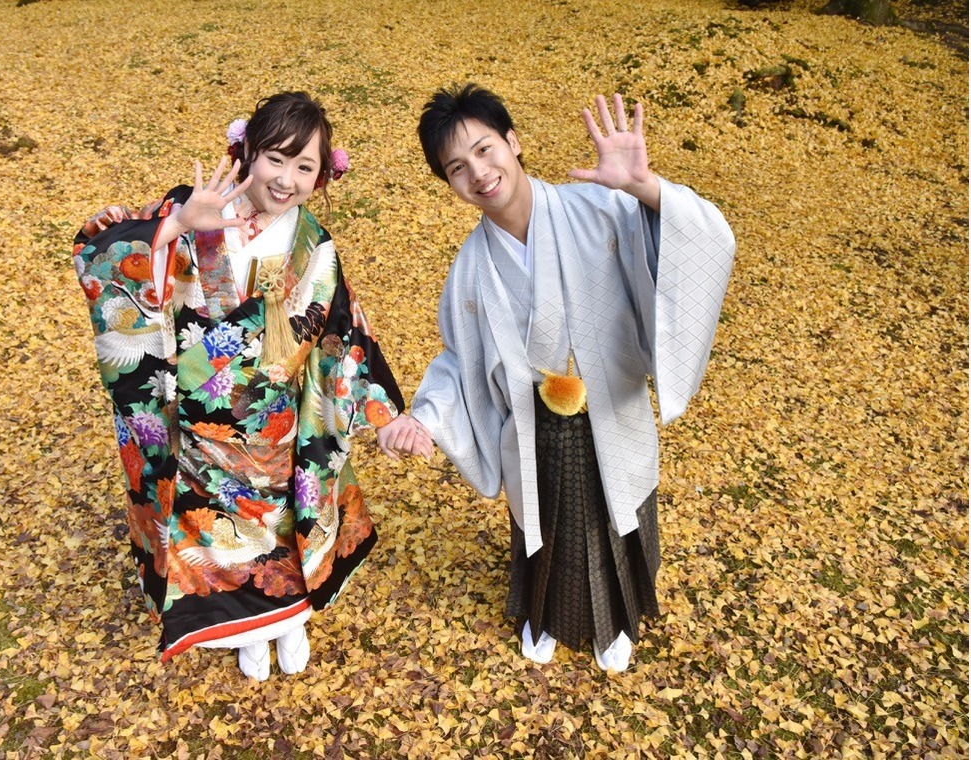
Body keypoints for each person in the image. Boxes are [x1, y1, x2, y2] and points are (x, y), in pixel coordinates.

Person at [72, 92, 430, 679]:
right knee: (212, 538)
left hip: (274, 424)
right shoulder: (194, 207)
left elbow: (343, 332)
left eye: (304, 166)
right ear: (247, 153)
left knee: (279, 528)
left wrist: (386, 416)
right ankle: (250, 632)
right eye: (275, 159)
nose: (286, 179)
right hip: (195, 418)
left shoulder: (314, 245)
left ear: (322, 175)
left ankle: (285, 622)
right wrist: (176, 227)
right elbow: (104, 252)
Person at [389, 84, 735, 670]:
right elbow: (459, 358)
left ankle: (615, 622)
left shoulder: (598, 207)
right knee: (545, 523)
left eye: (485, 149)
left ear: (513, 141)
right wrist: (424, 417)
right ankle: (544, 615)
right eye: (457, 167)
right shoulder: (470, 269)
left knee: (614, 517)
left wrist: (645, 189)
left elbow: (697, 240)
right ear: (448, 183)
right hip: (535, 426)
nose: (479, 172)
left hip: (610, 404)